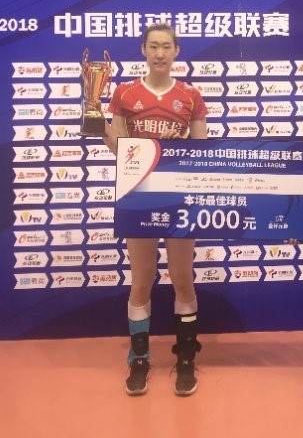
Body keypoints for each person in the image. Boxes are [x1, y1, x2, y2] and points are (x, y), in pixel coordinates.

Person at [103, 23, 208, 397]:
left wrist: (178, 152)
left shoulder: (191, 96)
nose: (160, 53)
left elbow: (200, 150)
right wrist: (99, 125)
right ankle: (139, 359)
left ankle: (186, 358)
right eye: (153, 46)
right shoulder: (124, 93)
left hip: (178, 197)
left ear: (176, 51)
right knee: (142, 278)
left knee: (182, 278)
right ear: (143, 50)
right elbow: (117, 146)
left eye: (166, 46)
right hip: (139, 196)